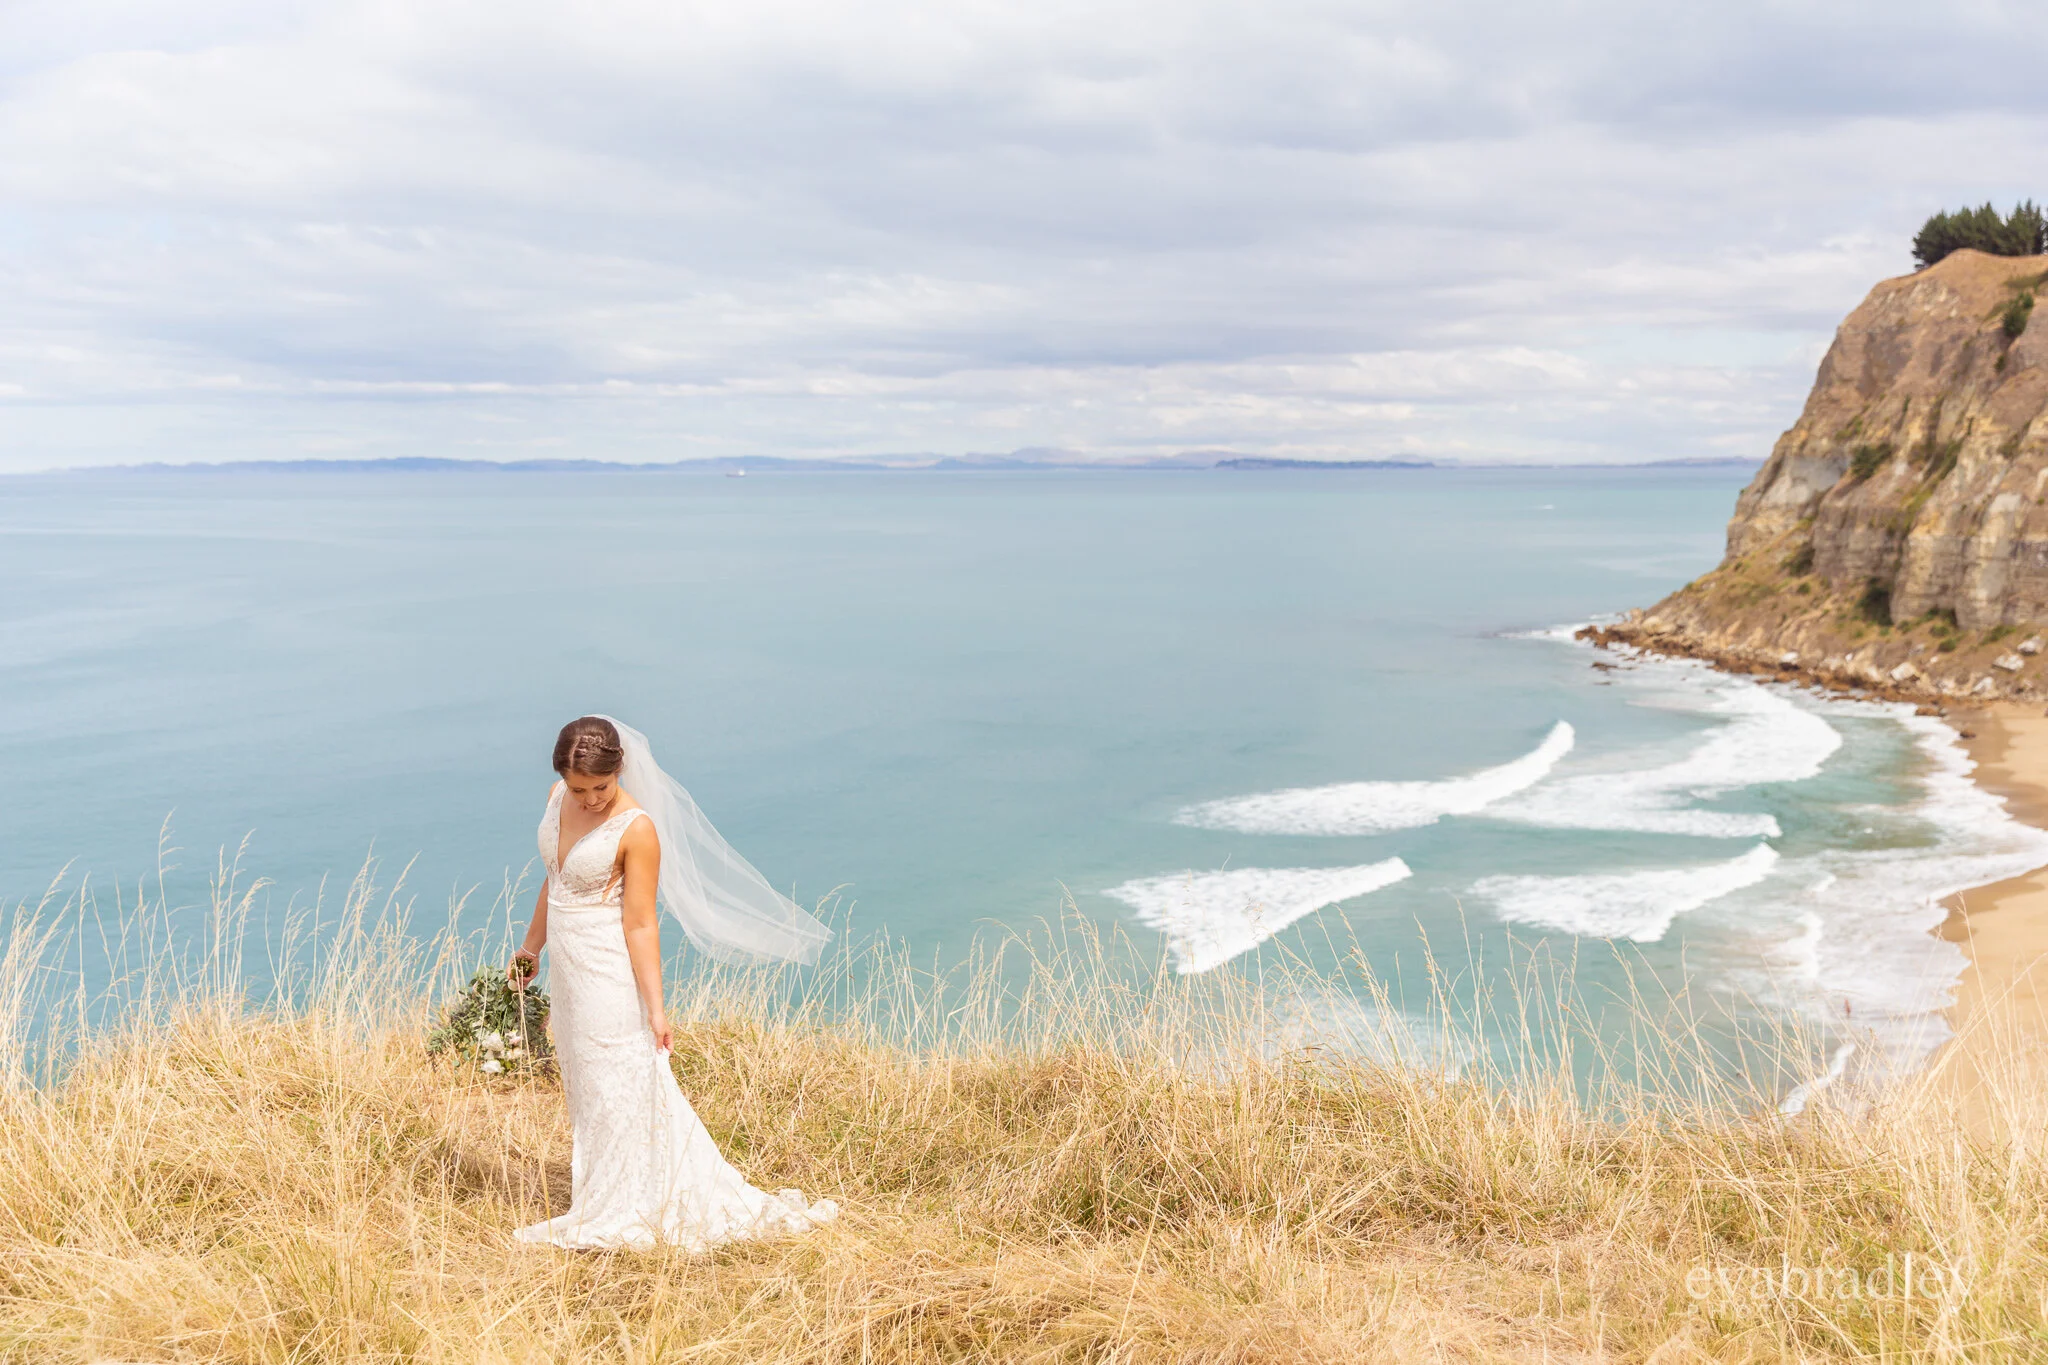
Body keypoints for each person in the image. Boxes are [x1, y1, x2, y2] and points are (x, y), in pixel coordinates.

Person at [508, 714, 836, 1250]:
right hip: (568, 973)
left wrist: (656, 1010)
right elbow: (556, 879)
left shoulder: (637, 830)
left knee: (624, 1084)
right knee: (586, 1086)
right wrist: (530, 948)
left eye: (600, 787)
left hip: (608, 974)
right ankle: (600, 1191)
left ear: (620, 772)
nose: (588, 799)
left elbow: (640, 923)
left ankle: (635, 1200)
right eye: (578, 788)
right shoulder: (555, 797)